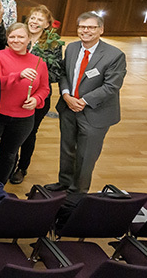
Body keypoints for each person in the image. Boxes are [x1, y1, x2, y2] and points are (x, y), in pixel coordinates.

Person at [46, 12, 126, 193]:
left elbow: (111, 86)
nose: (86, 31)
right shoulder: (72, 48)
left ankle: (77, 192)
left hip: (95, 112)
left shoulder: (114, 55)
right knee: (67, 150)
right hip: (68, 107)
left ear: (101, 29)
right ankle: (64, 183)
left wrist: (83, 101)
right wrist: (66, 95)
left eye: (91, 27)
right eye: (82, 27)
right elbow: (65, 73)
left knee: (86, 156)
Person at [0, 24, 49, 187]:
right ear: (7, 38)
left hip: (23, 120)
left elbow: (44, 88)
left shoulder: (38, 62)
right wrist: (17, 76)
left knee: (9, 156)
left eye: (21, 37)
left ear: (29, 39)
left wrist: (36, 99)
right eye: (12, 36)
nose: (16, 40)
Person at [11, 5, 64, 184]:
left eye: (40, 19)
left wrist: (39, 70)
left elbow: (56, 73)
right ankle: (11, 162)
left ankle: (22, 167)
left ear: (47, 25)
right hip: (15, 93)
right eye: (32, 18)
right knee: (12, 131)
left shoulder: (53, 44)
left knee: (29, 133)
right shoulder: (19, 37)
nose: (34, 22)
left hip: (38, 96)